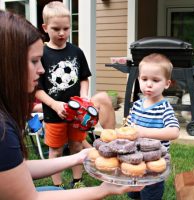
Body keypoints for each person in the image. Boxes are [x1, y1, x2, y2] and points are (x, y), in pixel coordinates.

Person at [0, 9, 143, 199]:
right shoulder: (2, 130)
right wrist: (104, 190)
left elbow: (18, 167)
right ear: (7, 63)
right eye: (34, 61)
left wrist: (80, 156)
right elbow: (29, 197)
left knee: (58, 189)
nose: (42, 69)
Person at [35, 1, 115, 188]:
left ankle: (77, 181)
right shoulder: (41, 55)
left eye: (66, 28)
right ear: (45, 28)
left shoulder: (76, 52)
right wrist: (54, 104)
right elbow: (37, 89)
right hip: (54, 115)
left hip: (78, 114)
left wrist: (84, 96)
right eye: (56, 29)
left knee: (77, 146)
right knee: (55, 150)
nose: (62, 33)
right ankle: (56, 186)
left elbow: (84, 78)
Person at [126, 53, 180, 200]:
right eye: (144, 79)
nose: (148, 84)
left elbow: (174, 132)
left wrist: (144, 132)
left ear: (167, 84)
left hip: (154, 162)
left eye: (155, 80)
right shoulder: (137, 105)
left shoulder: (164, 108)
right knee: (134, 192)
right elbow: (130, 128)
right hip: (136, 159)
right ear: (138, 80)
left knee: (150, 194)